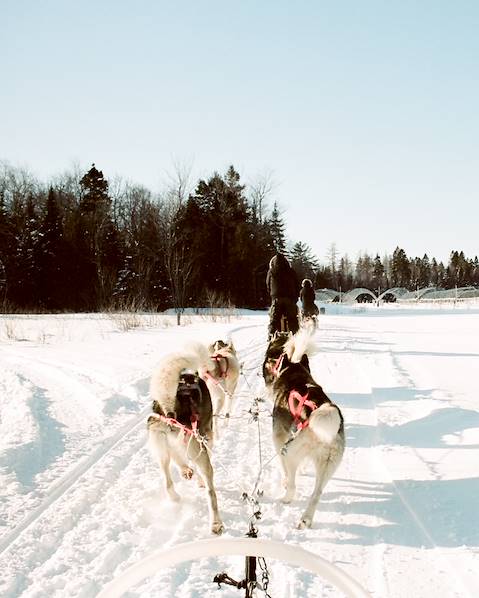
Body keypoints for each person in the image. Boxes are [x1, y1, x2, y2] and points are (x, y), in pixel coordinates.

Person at [266, 253, 300, 338]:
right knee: (293, 319)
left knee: (274, 319)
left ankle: (271, 336)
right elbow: (297, 285)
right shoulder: (291, 271)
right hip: (290, 298)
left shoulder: (271, 271)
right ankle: (296, 337)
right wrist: (295, 298)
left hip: (276, 298)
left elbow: (268, 284)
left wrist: (272, 295)